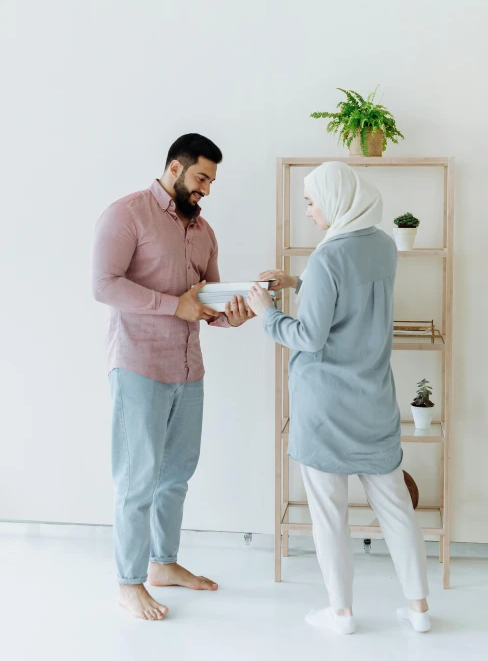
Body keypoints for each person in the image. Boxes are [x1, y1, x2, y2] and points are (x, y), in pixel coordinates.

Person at [249, 161, 430, 636]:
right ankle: (419, 609)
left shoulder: (329, 257)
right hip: (374, 401)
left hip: (325, 408)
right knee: (396, 508)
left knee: (330, 514)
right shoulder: (385, 245)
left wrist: (267, 312)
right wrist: (296, 283)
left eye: (311, 202)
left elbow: (310, 336)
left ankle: (342, 614)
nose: (308, 212)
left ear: (335, 201)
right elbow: (350, 297)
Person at [92, 133, 254, 621]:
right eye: (202, 177)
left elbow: (204, 302)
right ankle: (128, 582)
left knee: (176, 475)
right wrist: (172, 305)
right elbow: (103, 285)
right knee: (137, 479)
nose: (206, 189)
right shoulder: (127, 214)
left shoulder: (203, 231)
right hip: (138, 364)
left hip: (188, 368)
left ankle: (163, 564)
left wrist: (232, 314)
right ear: (175, 168)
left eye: (211, 181)